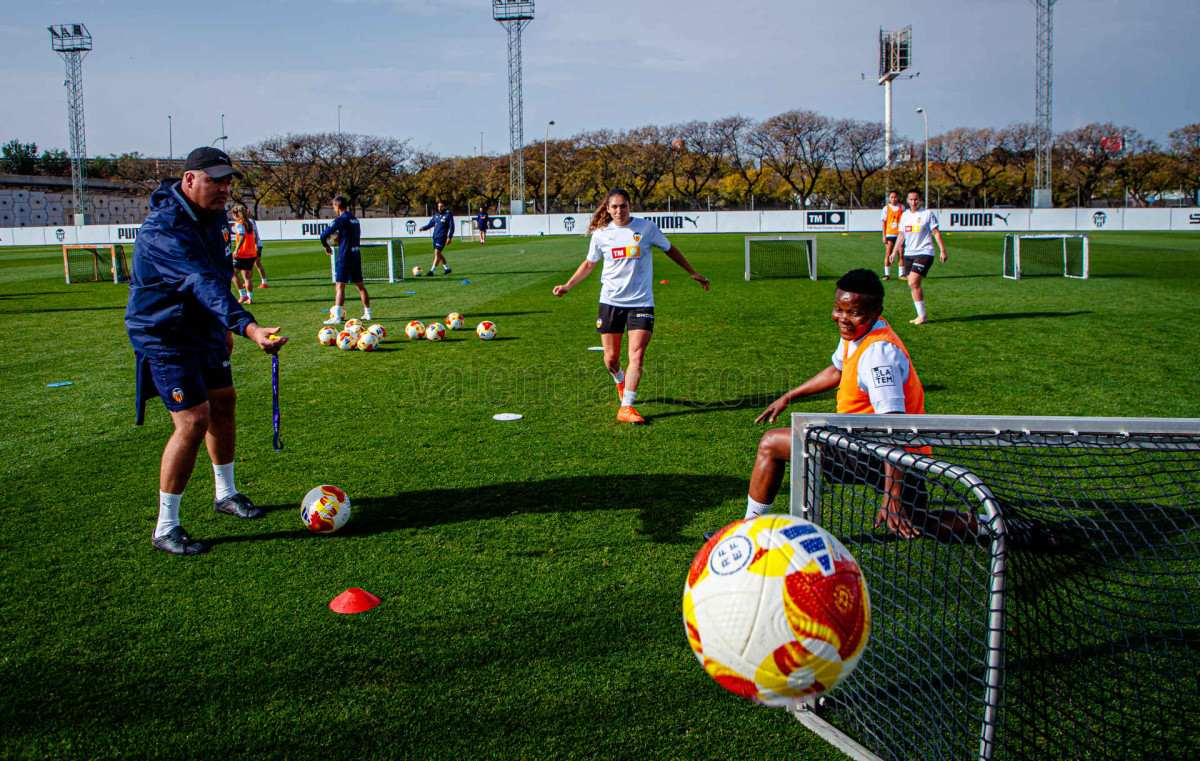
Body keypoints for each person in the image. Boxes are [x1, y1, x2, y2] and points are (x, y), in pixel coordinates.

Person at [126, 146, 287, 555]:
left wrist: (222, 327)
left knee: (224, 402)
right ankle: (165, 527)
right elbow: (201, 281)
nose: (224, 189)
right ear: (189, 180)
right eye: (215, 180)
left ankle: (226, 494)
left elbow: (219, 273)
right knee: (193, 420)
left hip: (204, 328)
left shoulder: (213, 216)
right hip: (165, 334)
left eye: (228, 181)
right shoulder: (164, 229)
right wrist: (248, 327)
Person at [737, 269, 946, 540]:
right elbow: (838, 370)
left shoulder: (878, 354)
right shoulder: (858, 332)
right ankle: (990, 526)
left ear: (876, 311)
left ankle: (747, 530)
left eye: (853, 313)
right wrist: (789, 396)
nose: (843, 319)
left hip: (890, 456)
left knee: (771, 443)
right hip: (866, 447)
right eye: (839, 309)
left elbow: (894, 426)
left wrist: (892, 492)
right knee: (921, 522)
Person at [552, 188, 709, 424]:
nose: (619, 211)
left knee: (636, 354)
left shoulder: (646, 228)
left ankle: (626, 406)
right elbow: (589, 263)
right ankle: (619, 380)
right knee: (611, 358)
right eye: (614, 207)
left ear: (630, 206)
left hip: (641, 302)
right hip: (610, 302)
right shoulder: (601, 234)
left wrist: (692, 272)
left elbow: (670, 249)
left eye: (623, 206)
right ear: (608, 209)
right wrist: (568, 285)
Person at [894, 188, 947, 325]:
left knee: (913, 282)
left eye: (916, 199)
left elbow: (935, 232)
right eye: (911, 199)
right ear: (907, 200)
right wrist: (894, 252)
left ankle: (922, 315)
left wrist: (942, 250)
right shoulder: (905, 215)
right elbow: (901, 235)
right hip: (909, 254)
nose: (914, 202)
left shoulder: (927, 214)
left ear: (920, 200)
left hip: (925, 252)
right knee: (912, 284)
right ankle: (920, 314)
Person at [320, 196, 371, 324]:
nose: (333, 209)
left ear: (337, 206)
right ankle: (368, 313)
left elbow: (323, 235)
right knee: (360, 286)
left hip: (345, 255)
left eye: (333, 206)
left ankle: (337, 317)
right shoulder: (355, 219)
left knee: (340, 286)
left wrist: (326, 246)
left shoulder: (340, 220)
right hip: (356, 254)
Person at [229, 205, 258, 303]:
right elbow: (254, 237)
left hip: (243, 253)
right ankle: (250, 298)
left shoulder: (239, 224)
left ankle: (242, 295)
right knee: (247, 277)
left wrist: (236, 249)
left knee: (232, 274)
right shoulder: (250, 223)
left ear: (236, 214)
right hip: (251, 253)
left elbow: (242, 236)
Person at [419, 201, 454, 275]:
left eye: (441, 206)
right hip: (435, 237)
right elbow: (431, 224)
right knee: (439, 254)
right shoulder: (436, 215)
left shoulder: (448, 215)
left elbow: (452, 227)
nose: (440, 208)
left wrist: (449, 237)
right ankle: (447, 268)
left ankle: (432, 271)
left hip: (442, 237)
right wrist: (423, 228)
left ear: (445, 207)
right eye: (438, 206)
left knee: (437, 253)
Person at [880, 189, 903, 281]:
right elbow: (884, 222)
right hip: (890, 234)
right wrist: (884, 236)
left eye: (895, 197)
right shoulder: (886, 208)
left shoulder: (902, 207)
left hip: (900, 234)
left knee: (901, 254)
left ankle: (901, 274)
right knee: (888, 254)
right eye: (892, 197)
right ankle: (887, 274)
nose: (894, 199)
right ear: (889, 198)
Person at [250, 212, 268, 288]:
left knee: (256, 264)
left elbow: (254, 234)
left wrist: (255, 245)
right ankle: (248, 281)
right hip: (255, 244)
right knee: (251, 264)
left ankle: (264, 282)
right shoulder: (251, 221)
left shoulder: (248, 222)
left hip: (255, 245)